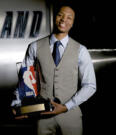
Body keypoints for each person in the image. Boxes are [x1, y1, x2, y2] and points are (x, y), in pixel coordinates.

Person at [11, 2, 96, 135]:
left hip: (70, 116)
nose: (64, 20)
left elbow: (90, 85)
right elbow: (25, 80)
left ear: (73, 23)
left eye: (69, 17)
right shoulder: (34, 47)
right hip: (42, 115)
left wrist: (66, 106)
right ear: (54, 17)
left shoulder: (81, 50)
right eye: (60, 15)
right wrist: (17, 104)